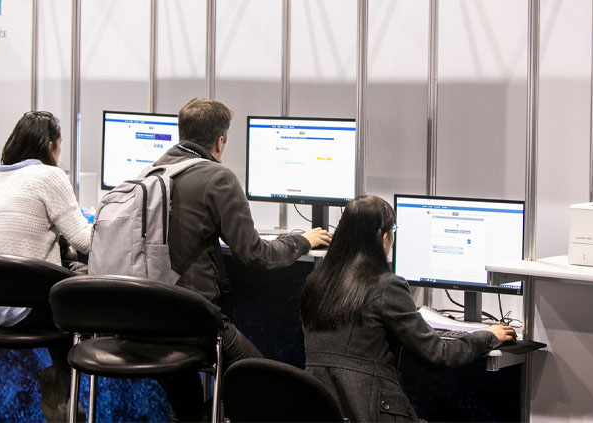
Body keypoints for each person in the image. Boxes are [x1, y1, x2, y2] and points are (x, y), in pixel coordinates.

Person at [151, 98, 331, 421]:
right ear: (219, 142)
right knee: (259, 380)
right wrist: (301, 240)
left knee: (187, 404)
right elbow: (255, 254)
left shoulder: (153, 173)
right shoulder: (218, 178)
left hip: (147, 320)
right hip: (194, 322)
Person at [300, 195, 516, 422]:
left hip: (321, 411)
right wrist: (487, 337)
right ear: (383, 238)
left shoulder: (316, 283)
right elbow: (437, 355)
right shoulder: (385, 286)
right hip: (373, 413)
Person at [0, 111, 91, 422]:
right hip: (25, 312)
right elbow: (86, 241)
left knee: (69, 277)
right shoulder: (50, 176)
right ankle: (66, 393)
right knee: (83, 290)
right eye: (60, 146)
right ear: (49, 147)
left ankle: (62, 391)